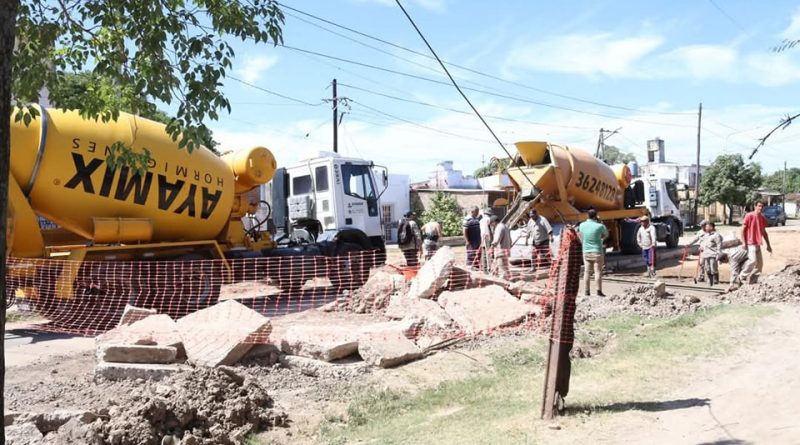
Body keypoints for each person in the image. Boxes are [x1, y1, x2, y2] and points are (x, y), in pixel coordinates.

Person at [739, 200, 772, 284]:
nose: (760, 208)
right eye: (759, 206)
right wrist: (743, 242)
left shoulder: (762, 218)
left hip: (758, 243)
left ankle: (753, 279)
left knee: (760, 265)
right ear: (755, 206)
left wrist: (768, 245)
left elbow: (764, 232)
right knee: (753, 260)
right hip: (750, 243)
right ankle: (742, 275)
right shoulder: (749, 216)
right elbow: (742, 229)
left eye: (762, 206)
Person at [578, 208, 609, 297]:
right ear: (596, 216)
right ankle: (598, 291)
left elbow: (581, 236)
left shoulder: (582, 225)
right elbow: (606, 234)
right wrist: (600, 222)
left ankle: (586, 291)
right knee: (598, 271)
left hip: (586, 251)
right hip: (597, 251)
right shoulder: (599, 226)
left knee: (587, 271)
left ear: (587, 215)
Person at [699, 222, 723, 286]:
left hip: (713, 254)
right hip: (706, 254)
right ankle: (710, 280)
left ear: (711, 227)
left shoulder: (716, 235)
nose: (706, 228)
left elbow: (719, 245)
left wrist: (719, 254)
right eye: (706, 227)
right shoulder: (706, 235)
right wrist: (701, 247)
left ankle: (715, 281)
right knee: (707, 268)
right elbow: (705, 243)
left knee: (713, 268)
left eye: (707, 227)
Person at [490, 215, 512, 279]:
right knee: (500, 266)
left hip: (500, 251)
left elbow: (496, 240)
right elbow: (510, 240)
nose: (492, 226)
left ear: (494, 222)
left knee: (502, 268)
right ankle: (494, 278)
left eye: (491, 224)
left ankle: (504, 282)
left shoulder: (499, 227)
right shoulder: (505, 226)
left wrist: (491, 247)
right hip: (506, 250)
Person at [479, 208, 494, 272]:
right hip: (487, 237)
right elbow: (491, 230)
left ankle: (485, 269)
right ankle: (490, 268)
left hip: (482, 237)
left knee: (484, 253)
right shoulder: (489, 219)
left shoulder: (481, 220)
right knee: (489, 253)